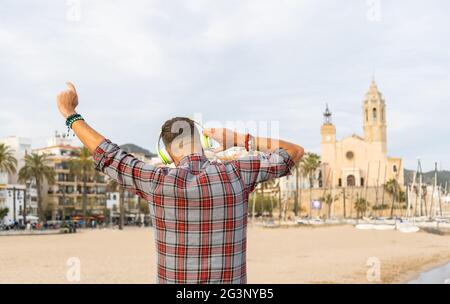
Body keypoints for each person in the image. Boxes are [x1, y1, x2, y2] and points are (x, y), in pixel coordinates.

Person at [56, 82, 304, 284]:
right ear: (201, 141)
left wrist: (70, 114)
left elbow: (109, 155)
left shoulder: (155, 181)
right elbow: (293, 152)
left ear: (166, 153)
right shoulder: (237, 173)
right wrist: (240, 138)